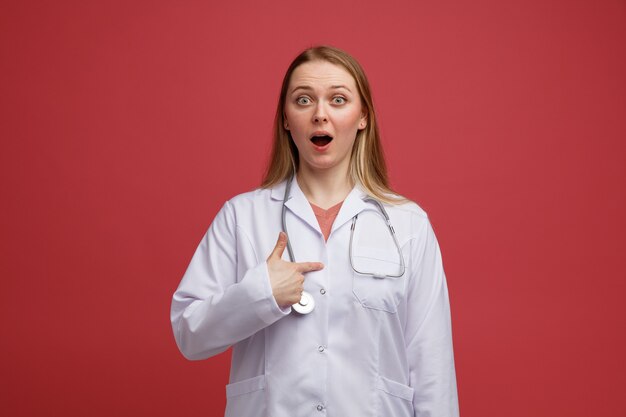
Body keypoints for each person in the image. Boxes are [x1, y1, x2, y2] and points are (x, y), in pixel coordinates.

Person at [171, 45, 459, 417]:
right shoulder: (242, 216)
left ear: (362, 117)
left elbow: (432, 365)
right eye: (303, 100)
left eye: (338, 100)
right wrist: (261, 293)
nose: (320, 114)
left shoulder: (409, 225)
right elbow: (189, 334)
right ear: (287, 119)